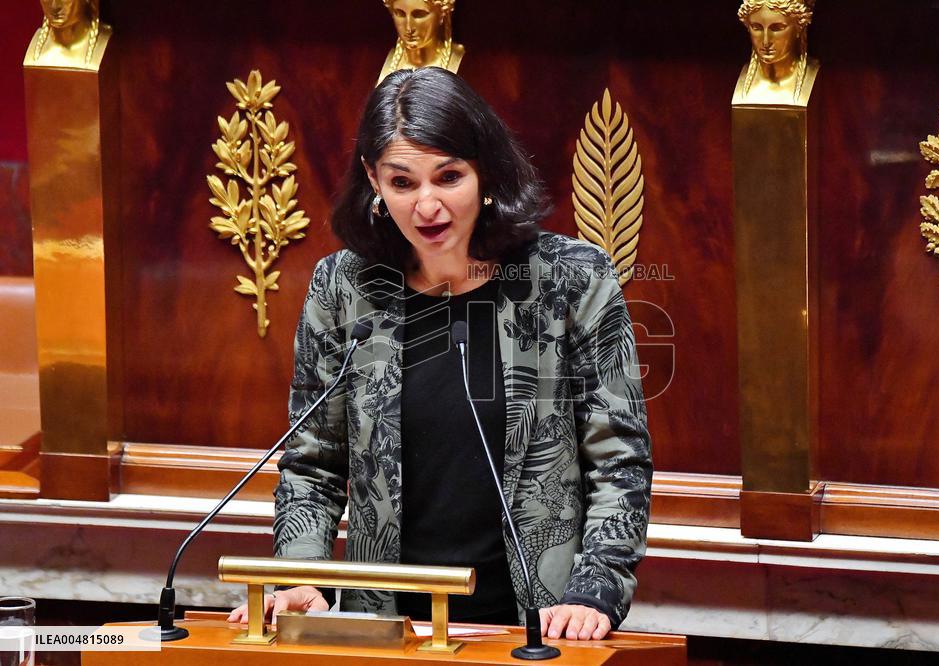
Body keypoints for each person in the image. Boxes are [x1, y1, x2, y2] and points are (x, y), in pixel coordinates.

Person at [230, 67, 652, 641]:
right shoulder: (343, 288)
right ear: (373, 180)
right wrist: (300, 577)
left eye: (449, 177)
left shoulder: (572, 281)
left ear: (485, 171)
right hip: (384, 628)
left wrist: (594, 590)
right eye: (403, 182)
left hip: (537, 627)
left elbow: (618, 458)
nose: (427, 205)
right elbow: (314, 463)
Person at [736, 0, 816, 104]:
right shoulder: (738, 81)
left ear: (799, 27)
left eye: (777, 28)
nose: (766, 41)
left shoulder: (818, 76)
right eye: (757, 28)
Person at [377, 0, 465, 84]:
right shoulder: (378, 61)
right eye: (400, 13)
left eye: (419, 14)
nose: (409, 28)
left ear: (442, 13)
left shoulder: (462, 62)